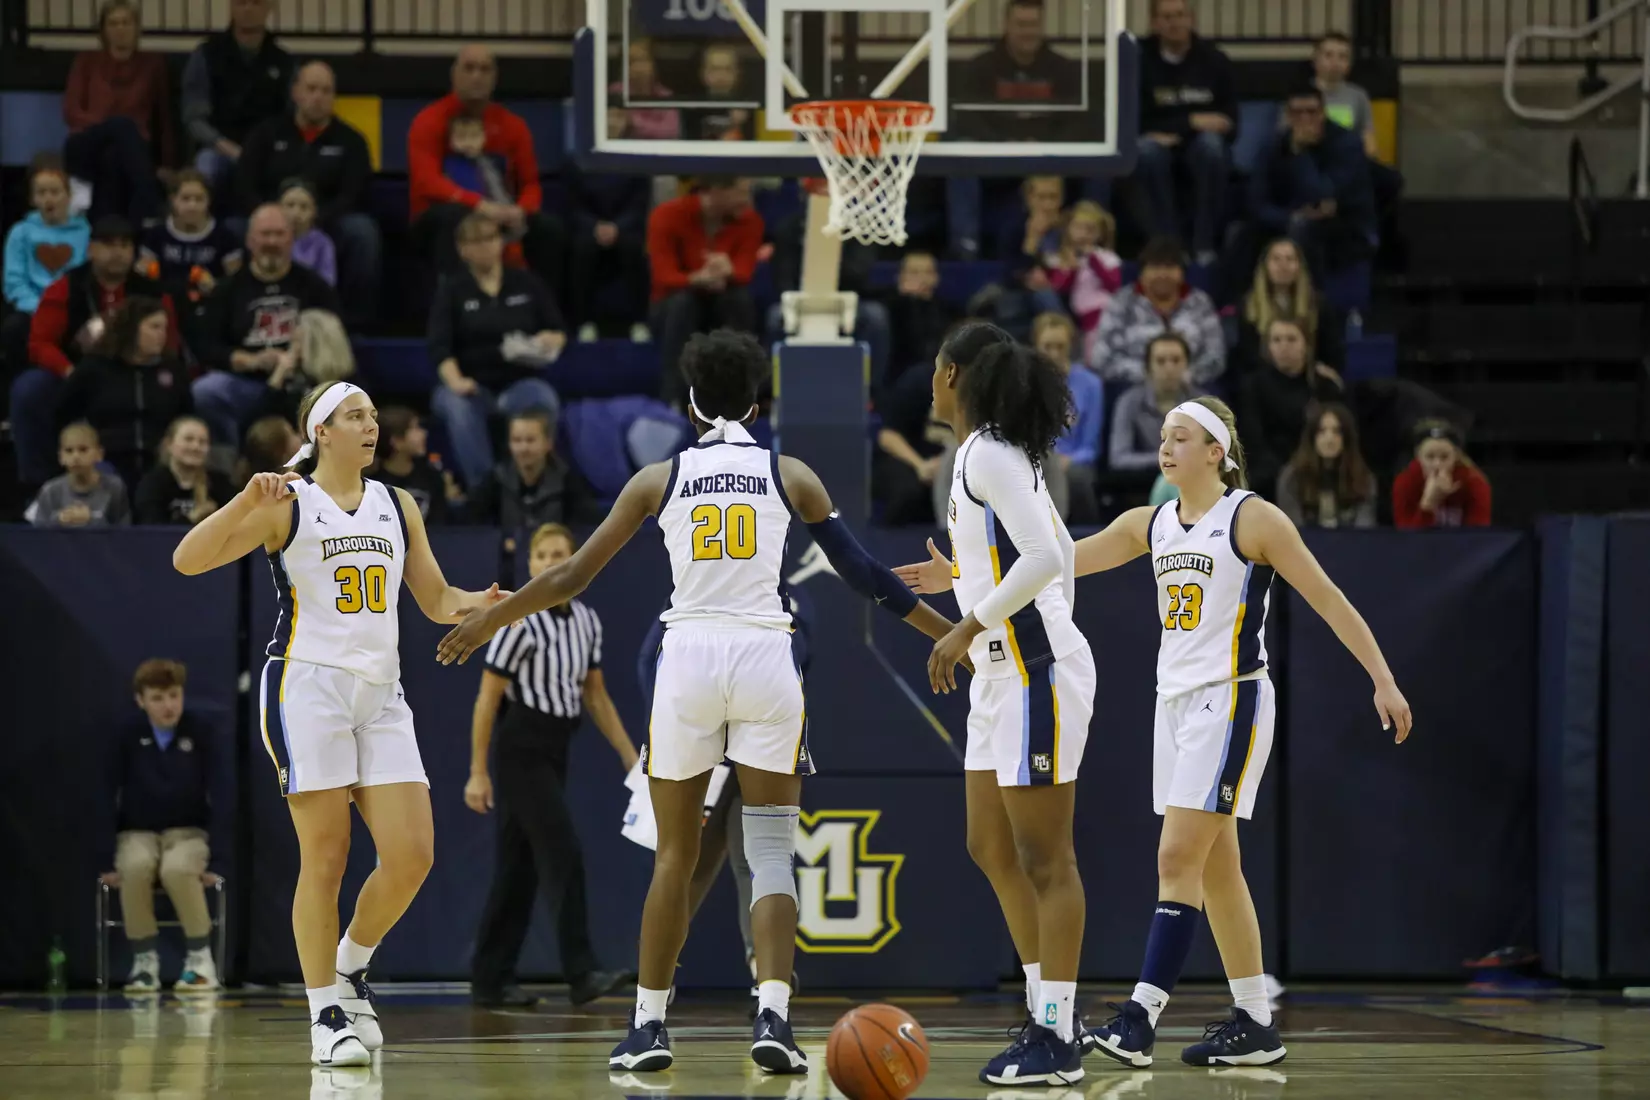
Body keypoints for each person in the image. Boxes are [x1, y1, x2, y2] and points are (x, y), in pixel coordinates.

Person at [435, 329, 960, 1075]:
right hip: (766, 655)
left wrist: (493, 616)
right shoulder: (791, 474)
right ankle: (773, 1017)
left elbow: (572, 576)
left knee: (676, 858)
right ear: (757, 406)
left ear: (689, 407)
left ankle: (648, 1027)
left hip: (687, 658)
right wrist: (953, 632)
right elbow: (868, 575)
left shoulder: (659, 478)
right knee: (771, 854)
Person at [902, 396, 1412, 1068]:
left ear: (1216, 452)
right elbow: (1054, 560)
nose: (1166, 447)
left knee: (1176, 860)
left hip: (1231, 700)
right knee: (1217, 868)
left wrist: (1382, 677)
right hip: (1172, 705)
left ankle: (1140, 1017)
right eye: (1164, 437)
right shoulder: (1151, 523)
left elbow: (1328, 597)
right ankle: (1256, 1021)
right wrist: (959, 575)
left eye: (1181, 438)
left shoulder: (1253, 518)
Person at [172, 379, 506, 1065]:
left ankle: (350, 966)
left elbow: (435, 598)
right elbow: (188, 560)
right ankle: (324, 1013)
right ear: (320, 431)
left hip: (381, 693)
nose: (371, 425)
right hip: (307, 688)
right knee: (326, 857)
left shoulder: (397, 503)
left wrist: (480, 602)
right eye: (356, 416)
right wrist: (245, 499)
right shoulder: (288, 503)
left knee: (413, 855)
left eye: (374, 416)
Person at [893, 322, 1097, 1087]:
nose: (930, 381)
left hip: (1034, 671)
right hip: (1002, 674)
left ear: (952, 375)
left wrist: (969, 623)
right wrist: (965, 577)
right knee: (990, 846)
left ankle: (1058, 1031)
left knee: (1048, 859)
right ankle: (1048, 1013)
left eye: (934, 369)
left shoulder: (988, 453)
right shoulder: (993, 454)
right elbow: (1058, 551)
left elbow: (1046, 558)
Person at [465, 523, 636, 1008]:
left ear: (575, 561)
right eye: (541, 555)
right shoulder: (519, 620)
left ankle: (490, 979)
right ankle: (581, 973)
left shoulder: (587, 621)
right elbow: (487, 698)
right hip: (521, 748)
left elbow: (595, 695)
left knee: (517, 868)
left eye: (559, 554)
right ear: (530, 565)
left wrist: (629, 756)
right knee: (563, 852)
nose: (549, 562)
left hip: (557, 747)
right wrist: (478, 771)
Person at [14, 216, 177, 488]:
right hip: (75, 373)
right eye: (109, 244)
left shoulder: (150, 290)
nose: (118, 252)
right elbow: (39, 344)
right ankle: (38, 485)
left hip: (135, 373)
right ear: (90, 249)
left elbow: (169, 342)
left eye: (125, 245)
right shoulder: (67, 287)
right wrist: (71, 372)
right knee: (29, 389)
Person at [101, 658, 220, 993]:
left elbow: (224, 796)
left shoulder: (201, 731)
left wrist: (220, 861)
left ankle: (200, 962)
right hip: (137, 833)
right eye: (157, 698)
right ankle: (144, 963)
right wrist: (104, 859)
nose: (168, 706)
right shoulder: (126, 734)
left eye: (174, 695)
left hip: (188, 833)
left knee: (178, 869)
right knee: (134, 866)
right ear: (140, 700)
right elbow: (103, 795)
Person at [408, 45, 566, 298]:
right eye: (469, 68)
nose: (477, 76)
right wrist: (479, 205)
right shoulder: (429, 120)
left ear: (494, 77)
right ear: (454, 75)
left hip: (502, 211)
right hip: (441, 217)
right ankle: (456, 309)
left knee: (549, 229)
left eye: (485, 69)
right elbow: (427, 181)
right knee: (454, 219)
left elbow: (530, 184)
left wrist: (521, 210)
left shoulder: (514, 125)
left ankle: (543, 311)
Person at [428, 211, 565, 490]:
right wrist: (457, 381)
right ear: (463, 249)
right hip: (471, 384)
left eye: (491, 238)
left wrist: (549, 340)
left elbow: (558, 329)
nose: (486, 247)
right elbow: (440, 347)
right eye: (477, 241)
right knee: (459, 407)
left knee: (544, 398)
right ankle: (487, 490)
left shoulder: (526, 282)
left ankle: (536, 484)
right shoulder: (452, 290)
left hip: (518, 381)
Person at [234, 60, 377, 321]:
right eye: (311, 89)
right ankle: (241, 314)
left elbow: (354, 193)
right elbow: (244, 183)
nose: (318, 97)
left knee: (362, 233)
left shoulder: (352, 141)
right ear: (295, 92)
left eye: (326, 91)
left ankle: (351, 322)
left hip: (325, 221)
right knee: (232, 229)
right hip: (271, 217)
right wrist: (273, 218)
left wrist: (313, 218)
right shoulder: (266, 133)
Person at [192, 204, 341, 447]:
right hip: (247, 382)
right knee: (206, 391)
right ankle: (230, 457)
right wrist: (252, 360)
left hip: (302, 380)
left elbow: (333, 338)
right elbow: (207, 346)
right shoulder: (228, 289)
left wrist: (297, 359)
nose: (272, 241)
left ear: (291, 239)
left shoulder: (314, 286)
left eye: (279, 234)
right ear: (250, 240)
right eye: (265, 234)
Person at [1131, 0, 1238, 264]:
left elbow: (1231, 124)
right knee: (1147, 151)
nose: (1174, 23)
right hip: (1158, 147)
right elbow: (1134, 121)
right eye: (1166, 17)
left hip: (1200, 148)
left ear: (1191, 19)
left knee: (1212, 147)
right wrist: (1191, 121)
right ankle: (1168, 247)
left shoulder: (1215, 60)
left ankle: (1204, 246)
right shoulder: (1139, 61)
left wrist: (1177, 128)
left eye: (1180, 15)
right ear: (1154, 23)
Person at [648, 178, 763, 410]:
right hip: (673, 305)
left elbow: (744, 272)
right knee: (684, 303)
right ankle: (674, 397)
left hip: (722, 299)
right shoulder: (666, 215)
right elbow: (663, 275)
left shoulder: (751, 220)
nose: (747, 201)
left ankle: (741, 395)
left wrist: (729, 270)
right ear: (715, 191)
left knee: (739, 300)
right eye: (741, 193)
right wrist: (697, 278)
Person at [57, 295, 193, 488]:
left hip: (160, 463)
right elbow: (63, 415)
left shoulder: (173, 369)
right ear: (132, 329)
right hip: (106, 463)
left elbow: (187, 418)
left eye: (164, 328)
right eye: (154, 327)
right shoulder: (94, 368)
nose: (162, 334)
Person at [62, 0, 173, 225]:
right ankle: (151, 206)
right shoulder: (86, 61)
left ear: (137, 28)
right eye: (113, 23)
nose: (120, 29)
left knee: (114, 156)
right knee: (122, 125)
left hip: (134, 148)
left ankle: (108, 230)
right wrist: (111, 126)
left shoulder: (152, 64)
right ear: (103, 30)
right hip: (86, 143)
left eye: (126, 22)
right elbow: (71, 111)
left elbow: (164, 117)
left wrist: (167, 164)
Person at [1250, 86, 1375, 280]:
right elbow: (1256, 203)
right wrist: (1289, 217)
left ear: (1323, 113)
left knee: (1305, 228)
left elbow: (1321, 194)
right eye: (1297, 113)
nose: (1305, 119)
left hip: (1344, 223)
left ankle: (1308, 296)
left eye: (1312, 112)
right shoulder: (1273, 145)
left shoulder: (1346, 143)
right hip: (1287, 218)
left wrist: (1300, 152)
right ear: (1287, 116)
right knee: (1241, 235)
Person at [180, 0, 293, 196]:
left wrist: (263, 151)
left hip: (268, 150)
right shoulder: (207, 54)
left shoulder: (284, 61)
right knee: (206, 166)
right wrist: (225, 146)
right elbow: (194, 119)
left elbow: (291, 118)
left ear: (269, 8)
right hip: (218, 149)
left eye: (256, 3)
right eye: (241, 2)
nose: (248, 9)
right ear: (231, 6)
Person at [1092, 237, 1224, 386]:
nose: (1162, 274)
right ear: (1141, 274)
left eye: (1169, 267)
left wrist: (1186, 375)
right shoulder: (1121, 302)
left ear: (1182, 273)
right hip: (1133, 387)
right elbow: (1101, 358)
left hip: (1191, 386)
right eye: (1155, 267)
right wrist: (1151, 374)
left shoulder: (1200, 302)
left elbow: (1216, 356)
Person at [1238, 317, 1343, 498]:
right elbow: (1254, 440)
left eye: (1291, 339)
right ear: (1268, 347)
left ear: (1306, 345)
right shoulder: (1253, 386)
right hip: (1270, 472)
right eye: (1277, 340)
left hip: (1318, 466)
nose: (1284, 346)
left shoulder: (1324, 385)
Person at [3, 156, 88, 375]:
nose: (48, 199)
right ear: (32, 199)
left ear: (69, 195)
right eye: (41, 193)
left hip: (72, 309)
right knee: (14, 328)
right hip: (33, 309)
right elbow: (14, 281)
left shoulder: (86, 232)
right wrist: (41, 309)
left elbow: (86, 277)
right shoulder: (20, 232)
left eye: (55, 192)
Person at [1236, 237, 1343, 378]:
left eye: (1290, 259)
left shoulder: (1318, 304)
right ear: (1265, 267)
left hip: (1308, 377)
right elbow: (1247, 356)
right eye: (1276, 259)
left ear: (1299, 266)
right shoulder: (1249, 305)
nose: (1283, 265)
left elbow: (1332, 352)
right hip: (1264, 379)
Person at [139, 168, 244, 310]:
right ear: (173, 199)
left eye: (199, 199)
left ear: (208, 201)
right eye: (185, 198)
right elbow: (143, 277)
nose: (192, 206)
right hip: (164, 307)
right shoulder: (156, 235)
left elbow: (237, 282)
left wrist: (216, 286)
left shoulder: (225, 238)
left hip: (211, 306)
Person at [1034, 312, 1101, 526]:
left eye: (1060, 346)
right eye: (1047, 347)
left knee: (1076, 478)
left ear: (1071, 346)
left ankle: (1087, 536)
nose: (1054, 353)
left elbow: (1091, 446)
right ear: (1036, 347)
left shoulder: (1091, 384)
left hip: (1074, 463)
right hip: (1035, 461)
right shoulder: (1023, 384)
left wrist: (1067, 461)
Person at [1109, 333, 1205, 473]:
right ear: (1148, 368)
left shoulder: (1203, 404)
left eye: (1176, 360)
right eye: (1161, 361)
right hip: (1143, 481)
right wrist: (1168, 458)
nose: (1169, 368)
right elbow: (1119, 458)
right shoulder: (1129, 402)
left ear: (1187, 365)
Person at [1276, 402, 1377, 528]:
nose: (1329, 439)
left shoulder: (1363, 479)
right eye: (1322, 431)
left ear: (1346, 439)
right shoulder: (1292, 478)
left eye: (1337, 432)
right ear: (1312, 438)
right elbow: (1292, 530)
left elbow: (1365, 532)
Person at [134, 415, 236, 525]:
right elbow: (152, 528)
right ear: (169, 444)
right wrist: (192, 518)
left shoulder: (220, 483)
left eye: (202, 442)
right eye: (188, 439)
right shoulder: (153, 484)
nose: (196, 447)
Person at [25, 421, 130, 527]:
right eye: (69, 451)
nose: (76, 456)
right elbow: (38, 531)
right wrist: (59, 521)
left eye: (83, 450)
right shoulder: (50, 490)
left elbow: (123, 531)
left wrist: (91, 520)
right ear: (61, 457)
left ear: (99, 454)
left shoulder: (114, 488)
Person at [1392, 420, 1492, 528]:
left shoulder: (1474, 482)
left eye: (1444, 457)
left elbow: (1479, 534)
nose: (1437, 465)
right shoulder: (1405, 482)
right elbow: (1405, 535)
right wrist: (1428, 504)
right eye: (1430, 457)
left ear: (1456, 457)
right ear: (1418, 457)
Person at [372, 406, 456, 524]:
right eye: (415, 428)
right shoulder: (373, 486)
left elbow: (439, 524)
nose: (424, 433)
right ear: (397, 441)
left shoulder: (431, 476)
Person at [279, 179, 336, 287]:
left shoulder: (323, 243)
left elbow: (328, 282)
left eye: (304, 207)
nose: (296, 213)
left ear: (314, 211)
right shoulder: (271, 240)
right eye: (290, 205)